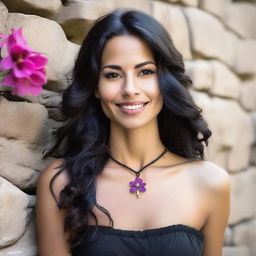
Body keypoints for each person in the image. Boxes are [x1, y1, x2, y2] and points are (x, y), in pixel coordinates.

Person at [36, 8, 231, 256]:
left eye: (145, 72)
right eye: (113, 75)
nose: (130, 89)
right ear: (95, 86)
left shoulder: (211, 183)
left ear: (164, 80)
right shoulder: (62, 182)